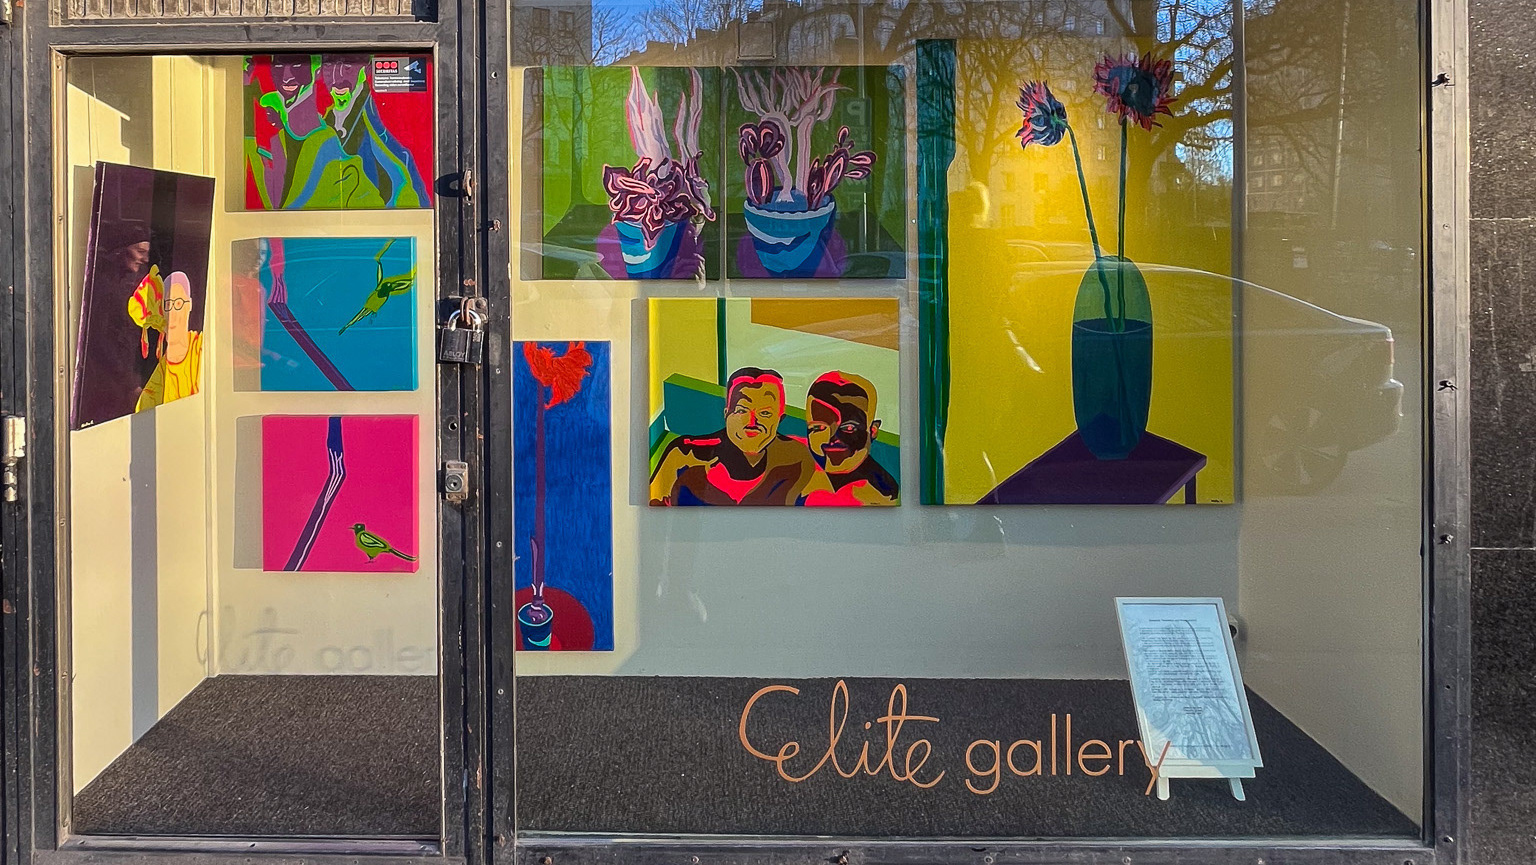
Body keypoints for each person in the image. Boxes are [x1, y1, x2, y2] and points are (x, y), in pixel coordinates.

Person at [649, 367, 814, 506]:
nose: (752, 422)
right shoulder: (685, 454)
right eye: (742, 410)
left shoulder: (797, 458)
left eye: (765, 413)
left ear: (780, 419)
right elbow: (653, 510)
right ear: (726, 414)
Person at [320, 54, 431, 208]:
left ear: (366, 69)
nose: (336, 78)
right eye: (328, 66)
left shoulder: (383, 118)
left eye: (348, 66)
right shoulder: (324, 123)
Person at [798, 371, 899, 506]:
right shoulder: (794, 469)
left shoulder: (884, 494)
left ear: (873, 431)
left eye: (849, 428)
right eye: (819, 428)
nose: (831, 438)